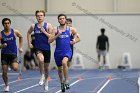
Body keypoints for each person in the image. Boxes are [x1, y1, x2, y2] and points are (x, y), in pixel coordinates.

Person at [48, 14, 80, 92]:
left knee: (64, 63)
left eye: (63, 18)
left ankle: (67, 81)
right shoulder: (55, 29)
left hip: (67, 51)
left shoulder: (71, 29)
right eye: (60, 19)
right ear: (58, 20)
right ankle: (62, 82)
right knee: (59, 70)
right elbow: (49, 41)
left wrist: (74, 40)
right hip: (58, 53)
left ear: (65, 20)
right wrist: (58, 35)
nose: (62, 20)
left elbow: (77, 35)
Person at [27, 10, 53, 91]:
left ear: (44, 16)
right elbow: (28, 33)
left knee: (47, 68)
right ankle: (42, 75)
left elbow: (52, 37)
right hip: (38, 48)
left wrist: (44, 32)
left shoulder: (48, 25)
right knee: (41, 60)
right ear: (36, 17)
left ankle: (46, 82)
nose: (39, 17)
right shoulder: (33, 26)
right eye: (38, 15)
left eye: (41, 15)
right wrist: (29, 43)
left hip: (47, 49)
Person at [0, 18, 23, 92]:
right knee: (4, 72)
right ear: (3, 24)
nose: (7, 25)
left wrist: (20, 47)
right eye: (5, 23)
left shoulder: (15, 32)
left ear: (10, 24)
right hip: (4, 55)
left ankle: (10, 64)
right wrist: (2, 46)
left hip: (13, 53)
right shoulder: (1, 34)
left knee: (15, 68)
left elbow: (21, 37)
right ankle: (6, 85)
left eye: (8, 23)